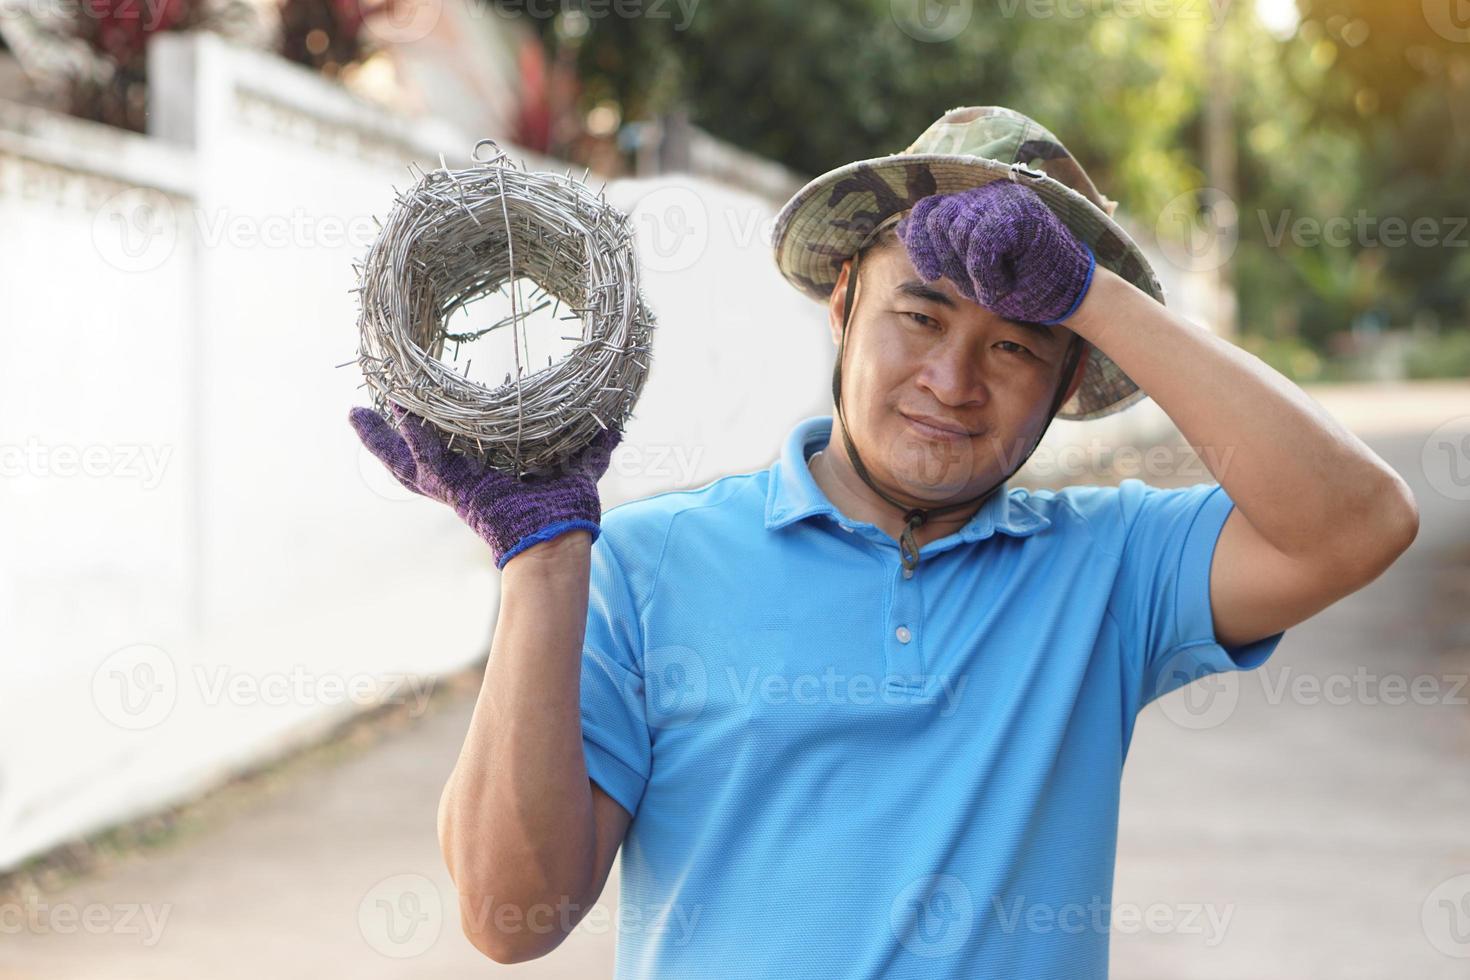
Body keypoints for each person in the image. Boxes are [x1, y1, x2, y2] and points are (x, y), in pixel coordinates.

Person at [350, 106, 1419, 978]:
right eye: (920, 315)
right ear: (842, 304)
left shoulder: (1110, 568)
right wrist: (540, 565)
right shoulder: (646, 561)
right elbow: (506, 915)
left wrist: (1091, 294)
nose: (953, 383)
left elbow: (1362, 522)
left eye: (1014, 344)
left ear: (1065, 388)